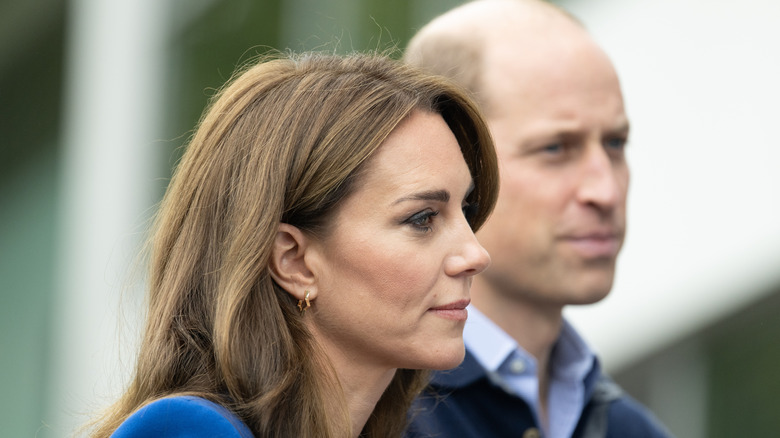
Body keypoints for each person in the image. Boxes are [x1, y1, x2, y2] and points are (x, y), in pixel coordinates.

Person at [89, 52, 500, 438]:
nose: (475, 255)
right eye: (422, 218)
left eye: (468, 208)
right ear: (293, 262)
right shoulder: (186, 430)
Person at [403, 1, 672, 437]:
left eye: (615, 143)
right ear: (447, 160)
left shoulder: (630, 428)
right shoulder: (366, 414)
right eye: (555, 149)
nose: (604, 191)